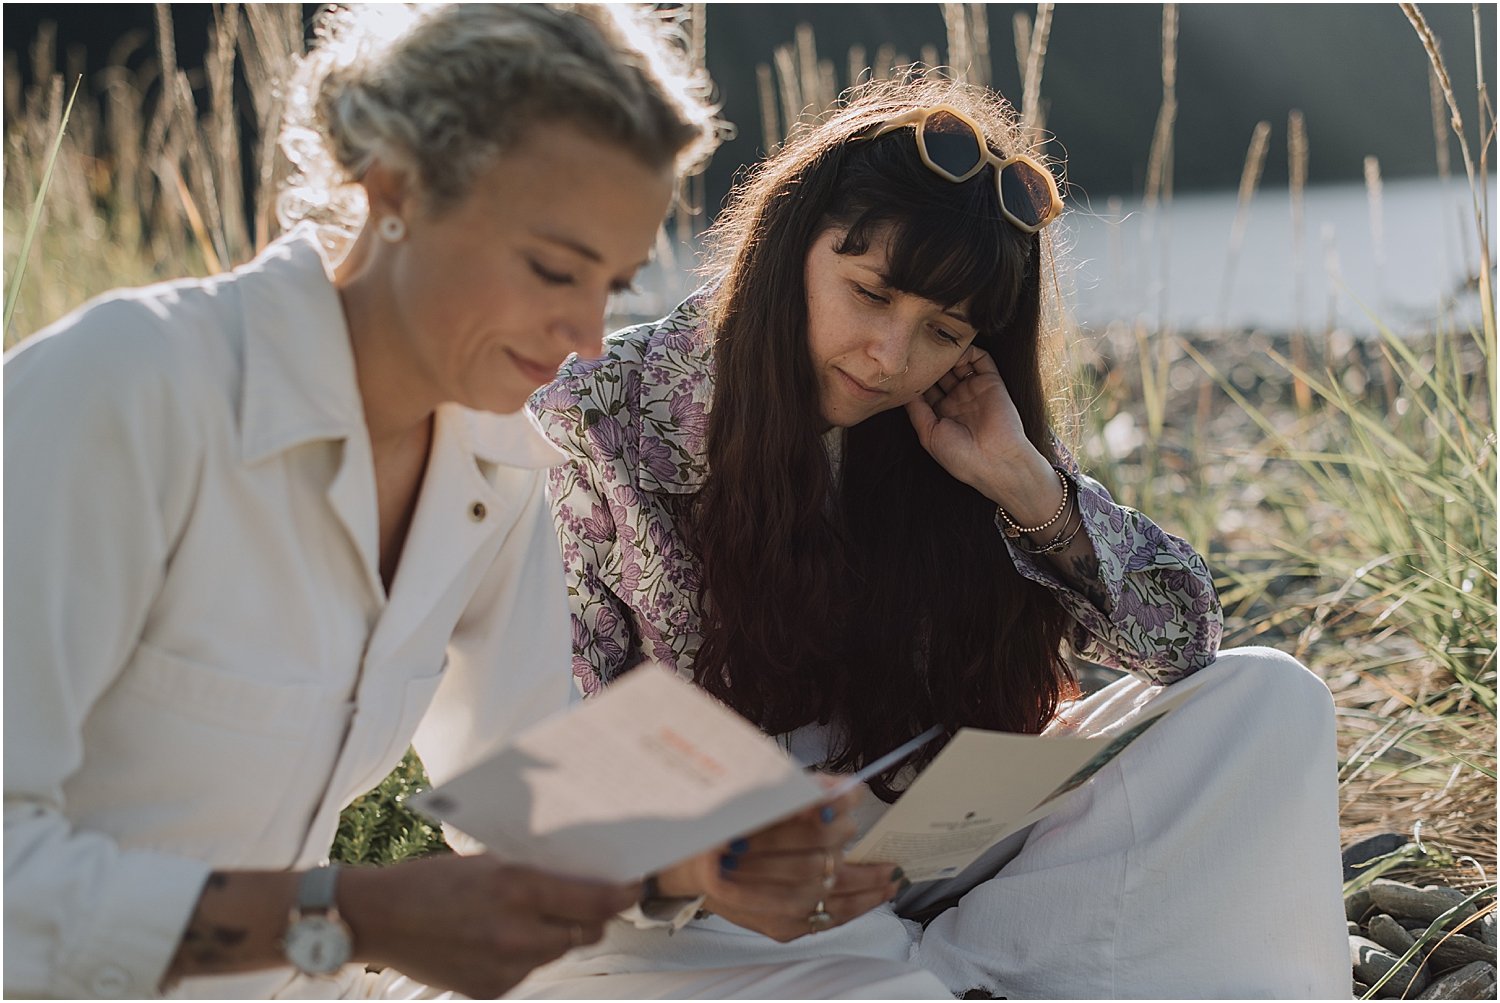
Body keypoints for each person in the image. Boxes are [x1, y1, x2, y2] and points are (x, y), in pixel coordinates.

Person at [525, 77, 1351, 999]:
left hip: (931, 845)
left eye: (942, 330)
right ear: (788, 247)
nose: (891, 356)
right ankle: (940, 973)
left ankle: (957, 969)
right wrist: (719, 860)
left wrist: (1025, 484)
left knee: (1269, 700)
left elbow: (1183, 641)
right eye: (870, 293)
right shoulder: (596, 417)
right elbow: (557, 752)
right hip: (724, 897)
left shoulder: (950, 417)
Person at [3, 4, 722, 999]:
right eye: (554, 269)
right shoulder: (126, 387)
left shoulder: (496, 464)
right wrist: (347, 915)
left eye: (615, 285)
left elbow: (524, 786)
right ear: (396, 188)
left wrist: (705, 858)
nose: (589, 337)